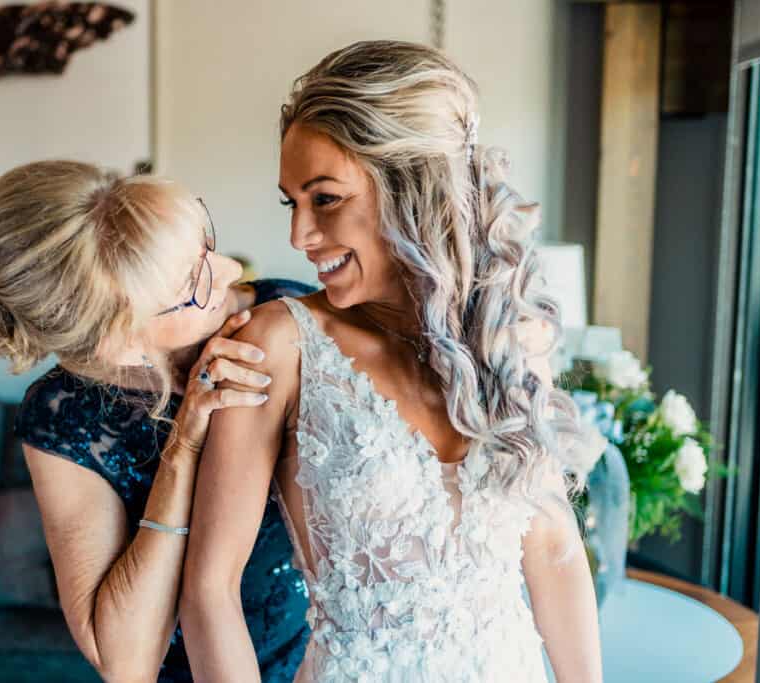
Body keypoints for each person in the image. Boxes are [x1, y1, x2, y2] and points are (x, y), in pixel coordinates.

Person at [179, 41, 603, 682]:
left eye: (324, 198)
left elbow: (552, 547)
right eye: (291, 202)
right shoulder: (280, 345)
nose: (299, 236)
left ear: (411, 186)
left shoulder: (513, 334)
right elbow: (210, 591)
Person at [0, 162, 311, 682]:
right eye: (195, 283)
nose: (232, 271)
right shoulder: (65, 416)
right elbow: (123, 662)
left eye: (205, 244)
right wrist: (184, 447)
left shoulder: (290, 311)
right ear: (122, 343)